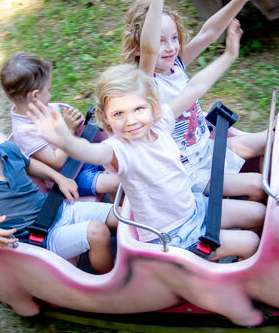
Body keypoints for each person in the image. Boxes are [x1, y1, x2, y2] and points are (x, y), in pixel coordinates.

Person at [29, 46, 266, 262]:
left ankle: (234, 261)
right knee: (251, 241)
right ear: (105, 117)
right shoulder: (119, 150)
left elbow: (195, 87)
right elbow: (90, 151)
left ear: (152, 106)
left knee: (259, 213)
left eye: (138, 109)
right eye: (119, 114)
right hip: (170, 234)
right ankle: (231, 279)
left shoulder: (160, 124)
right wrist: (64, 139)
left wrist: (229, 55)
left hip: (192, 208)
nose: (131, 120)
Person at [122, 0, 265, 200]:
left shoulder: (175, 63)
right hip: (189, 171)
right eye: (161, 41)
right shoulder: (144, 83)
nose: (170, 48)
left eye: (174, 38)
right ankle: (250, 228)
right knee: (257, 185)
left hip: (207, 150)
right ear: (137, 49)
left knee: (272, 140)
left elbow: (209, 33)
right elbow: (150, 47)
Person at [0, 108, 117, 273]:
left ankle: (139, 249)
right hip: (37, 240)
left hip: (56, 210)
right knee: (97, 232)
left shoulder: (8, 150)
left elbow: (28, 164)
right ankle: (107, 283)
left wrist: (58, 178)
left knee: (118, 215)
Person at [0, 52, 119, 197]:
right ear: (35, 95)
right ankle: (121, 215)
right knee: (117, 184)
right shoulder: (25, 131)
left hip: (82, 155)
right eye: (48, 90)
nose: (50, 94)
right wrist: (68, 130)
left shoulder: (43, 107)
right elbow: (57, 161)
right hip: (72, 175)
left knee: (124, 156)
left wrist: (76, 123)